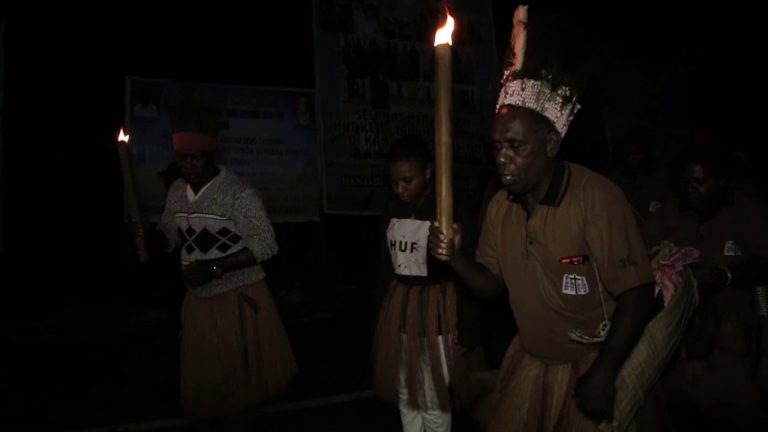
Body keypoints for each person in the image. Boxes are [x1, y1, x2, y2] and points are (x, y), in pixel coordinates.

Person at [429, 5, 659, 431]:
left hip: (593, 361)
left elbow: (638, 292)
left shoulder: (597, 199)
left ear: (551, 144)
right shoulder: (501, 205)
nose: (503, 159)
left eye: (516, 147)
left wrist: (605, 372)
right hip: (533, 362)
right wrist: (456, 259)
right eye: (497, 147)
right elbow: (491, 283)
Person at [153, 102, 297, 427]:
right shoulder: (177, 191)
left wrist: (214, 268)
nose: (188, 165)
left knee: (239, 391)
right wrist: (157, 239)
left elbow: (266, 244)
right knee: (209, 388)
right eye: (181, 158)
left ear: (210, 155)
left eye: (195, 158)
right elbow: (169, 231)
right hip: (199, 301)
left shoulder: (238, 193)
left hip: (238, 300)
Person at [641, 143, 768, 429]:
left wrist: (725, 275)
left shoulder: (747, 213)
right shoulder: (669, 215)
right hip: (674, 326)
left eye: (700, 182)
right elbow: (638, 254)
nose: (690, 190)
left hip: (734, 328)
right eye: (685, 183)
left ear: (721, 181)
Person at [372, 134, 482, 432]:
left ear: (429, 172)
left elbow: (472, 267)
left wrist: (467, 326)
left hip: (438, 312)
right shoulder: (391, 207)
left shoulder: (450, 208)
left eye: (408, 180)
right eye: (394, 181)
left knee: (432, 396)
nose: (400, 189)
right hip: (400, 309)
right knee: (406, 394)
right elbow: (386, 264)